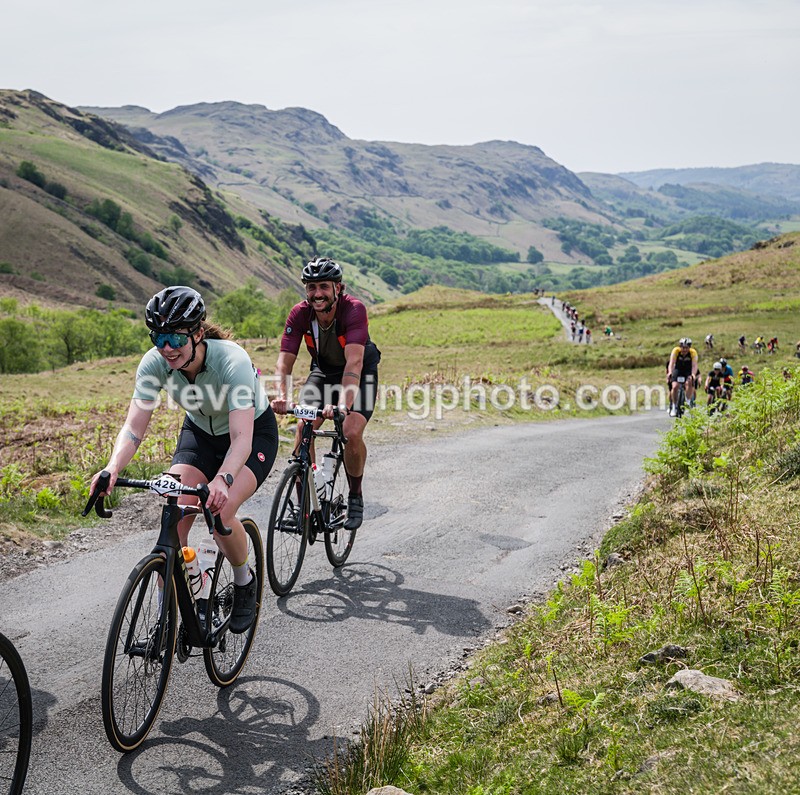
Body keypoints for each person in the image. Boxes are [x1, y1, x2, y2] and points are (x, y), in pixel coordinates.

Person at [89, 286, 278, 634]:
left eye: (176, 337)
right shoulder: (154, 363)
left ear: (198, 333)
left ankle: (244, 580)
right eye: (159, 337)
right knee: (174, 511)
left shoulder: (231, 361)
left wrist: (223, 479)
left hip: (251, 435)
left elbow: (240, 440)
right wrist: (112, 467)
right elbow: (133, 428)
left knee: (220, 510)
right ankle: (166, 617)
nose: (167, 348)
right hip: (200, 435)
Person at [271, 257, 381, 531]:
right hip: (323, 371)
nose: (317, 293)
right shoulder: (300, 314)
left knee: (351, 430)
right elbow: (285, 361)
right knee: (302, 427)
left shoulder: (353, 310)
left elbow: (354, 363)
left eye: (323, 286)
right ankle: (303, 505)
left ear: (338, 288)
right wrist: (282, 396)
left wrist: (343, 405)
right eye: (311, 287)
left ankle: (355, 494)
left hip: (359, 372)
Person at [668, 337, 699, 417]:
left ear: (689, 347)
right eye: (682, 347)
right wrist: (670, 372)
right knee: (675, 387)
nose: (684, 350)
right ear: (680, 347)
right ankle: (674, 407)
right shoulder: (676, 351)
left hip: (688, 370)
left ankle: (688, 403)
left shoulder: (693, 352)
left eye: (686, 348)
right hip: (678, 370)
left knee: (689, 382)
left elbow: (695, 365)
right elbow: (671, 363)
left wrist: (693, 375)